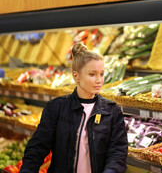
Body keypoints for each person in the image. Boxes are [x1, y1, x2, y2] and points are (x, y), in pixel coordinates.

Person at [20, 42, 128, 173]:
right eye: (92, 74)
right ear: (76, 76)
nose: (99, 80)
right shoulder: (56, 108)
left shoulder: (112, 111)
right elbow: (37, 147)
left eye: (102, 74)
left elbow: (118, 152)